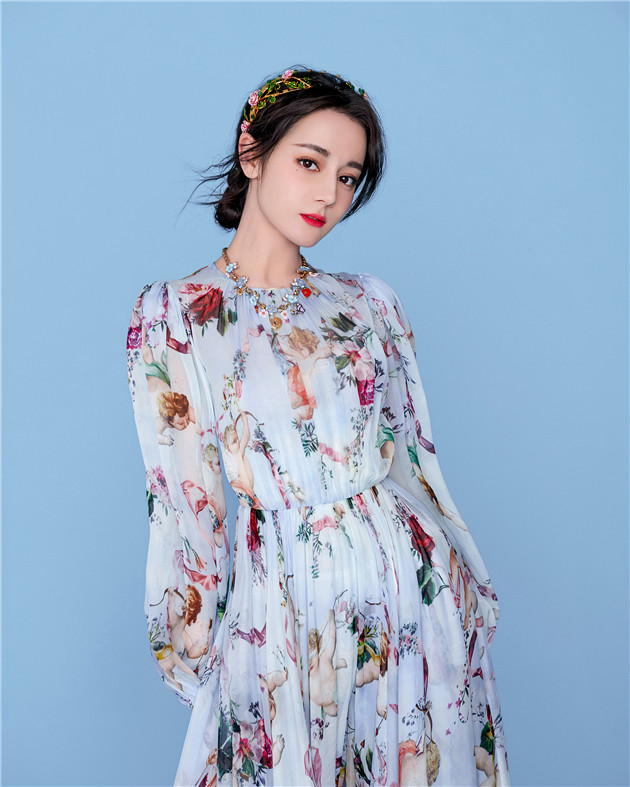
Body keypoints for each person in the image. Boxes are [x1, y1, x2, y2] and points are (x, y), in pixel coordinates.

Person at [126, 66, 510, 787]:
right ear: (252, 153)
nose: (330, 193)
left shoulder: (368, 303)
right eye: (310, 162)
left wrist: (465, 583)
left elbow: (413, 462)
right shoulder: (177, 315)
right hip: (285, 607)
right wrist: (198, 651)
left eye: (349, 176)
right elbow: (186, 502)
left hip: (413, 600)